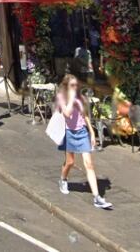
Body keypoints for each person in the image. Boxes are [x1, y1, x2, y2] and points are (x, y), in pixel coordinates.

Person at [55, 74, 112, 210]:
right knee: (70, 162)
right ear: (67, 87)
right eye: (72, 85)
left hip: (81, 133)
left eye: (77, 85)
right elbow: (67, 114)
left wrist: (92, 133)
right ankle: (63, 179)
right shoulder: (62, 98)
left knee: (89, 165)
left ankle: (97, 198)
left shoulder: (81, 98)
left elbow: (85, 115)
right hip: (69, 133)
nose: (76, 88)